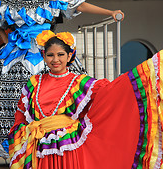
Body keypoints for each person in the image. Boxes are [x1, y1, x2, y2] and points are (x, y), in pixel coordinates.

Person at [0, 0, 124, 160]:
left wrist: (109, 12)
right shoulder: (7, 0)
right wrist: (8, 43)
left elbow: (80, 4)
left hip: (48, 51)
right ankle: (19, 149)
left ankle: (59, 145)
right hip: (14, 53)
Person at [9, 31, 163, 169]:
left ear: (70, 56)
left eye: (61, 54)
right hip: (39, 149)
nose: (55, 59)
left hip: (68, 149)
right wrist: (25, 134)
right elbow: (21, 116)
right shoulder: (34, 83)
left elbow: (111, 94)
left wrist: (145, 74)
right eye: (50, 55)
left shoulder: (80, 82)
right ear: (43, 56)